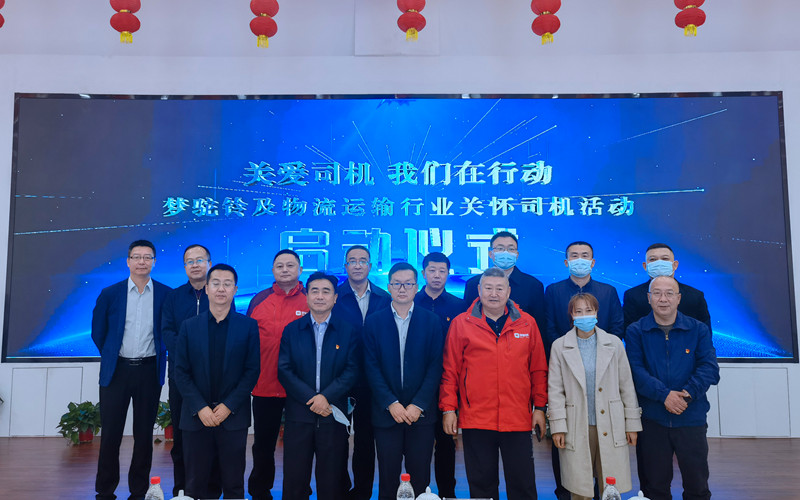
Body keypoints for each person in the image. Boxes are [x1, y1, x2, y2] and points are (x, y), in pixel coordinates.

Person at [440, 267, 548, 500]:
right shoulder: (461, 324)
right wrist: (448, 409)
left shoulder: (527, 324)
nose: (494, 294)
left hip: (517, 418)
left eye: (499, 288)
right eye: (488, 288)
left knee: (523, 486)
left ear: (508, 292)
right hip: (476, 418)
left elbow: (538, 369)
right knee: (482, 487)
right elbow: (450, 371)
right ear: (479, 290)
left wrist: (540, 408)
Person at [625, 276, 720, 500]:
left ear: (678, 298)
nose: (663, 299)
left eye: (669, 293)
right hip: (652, 420)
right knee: (654, 488)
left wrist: (686, 394)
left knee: (697, 486)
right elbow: (635, 371)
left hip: (691, 418)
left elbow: (709, 368)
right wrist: (664, 395)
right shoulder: (636, 331)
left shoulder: (698, 329)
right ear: (649, 298)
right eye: (657, 293)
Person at [544, 241, 625, 500]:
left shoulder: (608, 291)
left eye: (585, 255)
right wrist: (571, 353)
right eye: (574, 255)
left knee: (607, 459)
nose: (579, 259)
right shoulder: (553, 290)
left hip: (604, 370)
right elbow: (549, 327)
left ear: (593, 261)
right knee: (569, 455)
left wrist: (598, 351)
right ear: (566, 261)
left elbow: (617, 327)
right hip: (567, 367)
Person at [91, 240, 171, 500]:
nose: (141, 261)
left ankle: (138, 491)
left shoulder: (165, 294)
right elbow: (98, 333)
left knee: (144, 435)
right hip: (117, 371)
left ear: (154, 262)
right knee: (111, 434)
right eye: (137, 257)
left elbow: (168, 332)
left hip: (149, 371)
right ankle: (105, 491)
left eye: (147, 257)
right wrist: (112, 356)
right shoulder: (110, 294)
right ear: (128, 261)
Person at [174, 264, 260, 499]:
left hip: (233, 417)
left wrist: (228, 406)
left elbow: (252, 371)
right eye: (216, 283)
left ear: (235, 290)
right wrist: (200, 407)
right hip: (196, 418)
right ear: (207, 288)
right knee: (195, 485)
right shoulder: (189, 326)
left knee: (233, 484)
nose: (221, 289)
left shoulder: (248, 326)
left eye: (227, 284)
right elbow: (180, 372)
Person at [548, 293, 641, 500]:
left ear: (597, 312)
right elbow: (555, 390)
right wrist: (558, 427)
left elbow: (626, 385)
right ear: (571, 315)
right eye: (578, 311)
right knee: (580, 488)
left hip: (611, 422)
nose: (584, 315)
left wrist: (632, 424)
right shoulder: (559, 346)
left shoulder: (614, 343)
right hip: (576, 424)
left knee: (610, 487)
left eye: (588, 310)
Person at [364, 262, 444, 500]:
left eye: (408, 284)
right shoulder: (374, 322)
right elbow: (371, 367)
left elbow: (435, 366)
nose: (402, 289)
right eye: (397, 284)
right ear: (388, 287)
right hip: (386, 413)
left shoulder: (431, 321)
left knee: (420, 476)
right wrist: (391, 403)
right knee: (388, 478)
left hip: (421, 415)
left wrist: (418, 404)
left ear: (416, 287)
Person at [278, 272, 360, 500]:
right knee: (295, 481)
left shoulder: (348, 331)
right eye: (315, 291)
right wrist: (312, 398)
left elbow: (352, 370)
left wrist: (326, 397)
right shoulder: (292, 330)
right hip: (299, 415)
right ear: (307, 296)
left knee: (332, 481)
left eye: (326, 291)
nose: (320, 296)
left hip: (332, 415)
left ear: (335, 297)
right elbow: (284, 370)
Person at [161, 244, 222, 497]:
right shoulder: (173, 297)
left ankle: (212, 490)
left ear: (209, 263)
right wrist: (190, 357)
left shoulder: (220, 294)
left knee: (214, 435)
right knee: (182, 435)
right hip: (181, 377)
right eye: (189, 261)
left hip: (215, 377)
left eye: (199, 260)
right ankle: (182, 489)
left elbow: (226, 332)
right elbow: (167, 332)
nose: (195, 265)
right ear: (184, 266)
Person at [247, 249, 309, 500]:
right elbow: (247, 341)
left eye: (290, 265)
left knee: (299, 446)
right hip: (265, 385)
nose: (285, 269)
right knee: (263, 444)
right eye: (280, 266)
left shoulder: (310, 299)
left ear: (300, 270)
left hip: (300, 389)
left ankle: (298, 492)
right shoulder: (259, 300)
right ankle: (260, 491)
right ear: (272, 270)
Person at [332, 244, 391, 500]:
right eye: (352, 261)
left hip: (372, 383)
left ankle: (362, 492)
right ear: (345, 266)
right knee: (336, 440)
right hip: (339, 381)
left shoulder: (384, 298)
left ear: (370, 266)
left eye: (363, 260)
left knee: (366, 441)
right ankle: (339, 490)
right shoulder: (335, 296)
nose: (357, 265)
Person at [413, 252, 464, 499]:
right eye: (432, 270)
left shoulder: (458, 306)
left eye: (442, 271)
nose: (436, 275)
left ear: (448, 274)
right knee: (418, 446)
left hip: (447, 384)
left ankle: (447, 493)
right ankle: (417, 491)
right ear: (423, 273)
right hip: (417, 385)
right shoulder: (411, 301)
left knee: (446, 443)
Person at [463, 231, 547, 334]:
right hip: (479, 340)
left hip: (521, 341)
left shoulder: (533, 286)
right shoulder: (473, 284)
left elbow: (539, 326)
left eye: (511, 249)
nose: (505, 253)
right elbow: (466, 321)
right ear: (491, 254)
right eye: (500, 248)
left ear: (517, 255)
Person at [622, 243, 711, 333]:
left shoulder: (695, 296)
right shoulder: (632, 296)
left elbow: (705, 334)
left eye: (665, 259)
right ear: (645, 266)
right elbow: (629, 333)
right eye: (653, 259)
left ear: (675, 265)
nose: (659, 263)